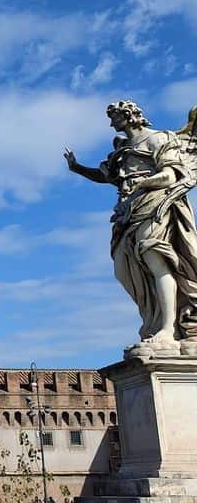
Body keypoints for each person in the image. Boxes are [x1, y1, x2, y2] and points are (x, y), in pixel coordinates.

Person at [65, 100, 197, 346]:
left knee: (157, 262)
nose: (111, 122)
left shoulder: (157, 139)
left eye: (114, 116)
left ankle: (168, 329)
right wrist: (77, 168)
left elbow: (170, 174)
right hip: (127, 211)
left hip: (155, 204)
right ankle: (154, 321)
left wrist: (142, 183)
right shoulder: (123, 148)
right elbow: (107, 177)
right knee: (124, 270)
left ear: (128, 115)